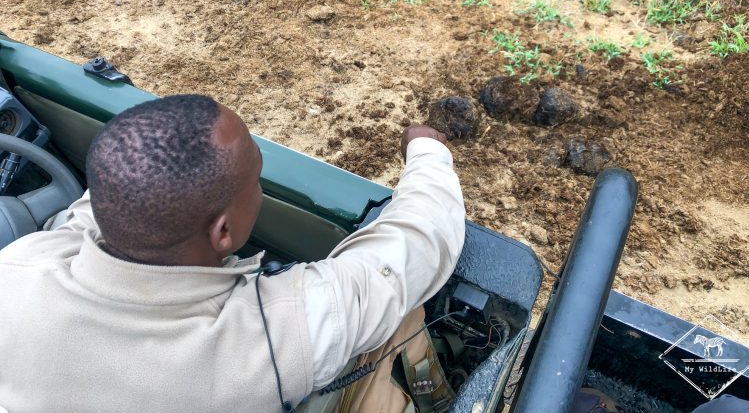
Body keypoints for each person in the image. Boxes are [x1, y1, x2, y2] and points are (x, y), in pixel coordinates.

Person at [0, 95, 465, 412]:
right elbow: (418, 244)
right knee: (399, 318)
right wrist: (428, 151)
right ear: (223, 231)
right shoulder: (261, 342)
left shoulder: (18, 269)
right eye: (256, 179)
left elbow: (84, 218)